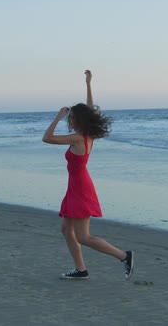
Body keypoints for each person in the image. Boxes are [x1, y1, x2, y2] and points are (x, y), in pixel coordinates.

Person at [42, 70, 134, 280]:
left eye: (72, 118)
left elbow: (46, 138)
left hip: (81, 189)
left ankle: (124, 256)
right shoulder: (87, 135)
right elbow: (91, 110)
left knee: (83, 236)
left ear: (79, 120)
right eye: (69, 118)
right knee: (67, 230)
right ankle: (81, 270)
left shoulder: (76, 139)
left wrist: (58, 116)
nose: (70, 121)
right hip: (75, 187)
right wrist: (88, 84)